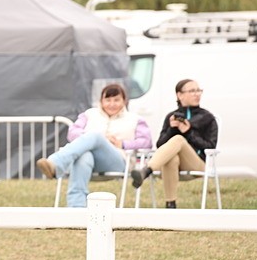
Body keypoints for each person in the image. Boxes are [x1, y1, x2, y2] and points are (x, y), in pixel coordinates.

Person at [36, 82, 152, 207]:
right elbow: (72, 133)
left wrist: (123, 144)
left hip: (118, 160)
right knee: (84, 155)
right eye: (108, 100)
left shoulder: (135, 119)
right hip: (90, 160)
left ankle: (56, 164)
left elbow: (146, 142)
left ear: (124, 101)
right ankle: (77, 208)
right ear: (101, 101)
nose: (112, 104)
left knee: (95, 136)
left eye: (116, 100)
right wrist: (91, 139)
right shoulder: (89, 114)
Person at [131, 79, 218, 208]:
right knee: (171, 158)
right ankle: (170, 205)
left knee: (179, 139)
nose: (197, 94)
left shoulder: (207, 117)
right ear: (179, 95)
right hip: (174, 164)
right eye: (192, 91)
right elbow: (160, 145)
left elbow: (210, 146)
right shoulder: (171, 117)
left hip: (196, 163)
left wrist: (188, 132)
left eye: (198, 90)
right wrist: (172, 128)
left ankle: (147, 170)